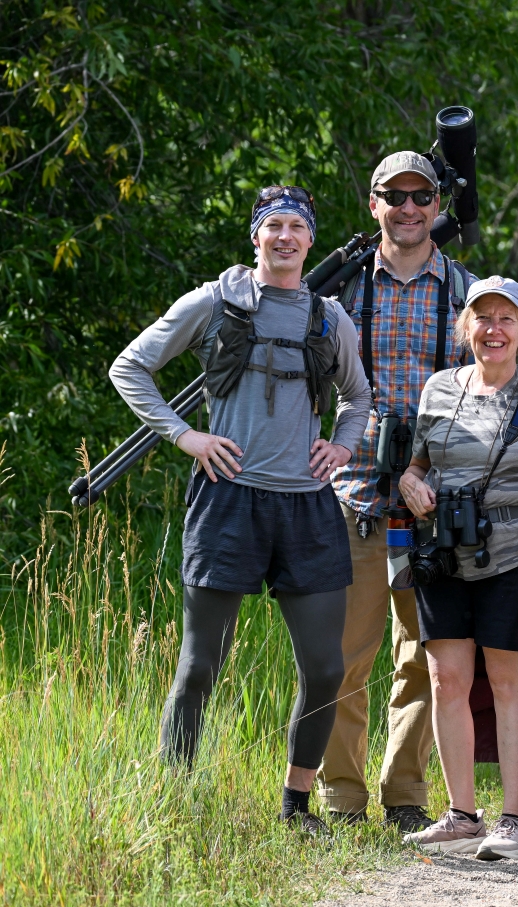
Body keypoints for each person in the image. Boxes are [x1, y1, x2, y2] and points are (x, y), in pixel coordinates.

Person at [109, 186, 372, 834]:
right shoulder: (214, 301)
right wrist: (186, 435)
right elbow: (130, 367)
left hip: (307, 509)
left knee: (326, 667)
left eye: (296, 227)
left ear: (310, 240)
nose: (285, 237)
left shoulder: (328, 318)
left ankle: (296, 805)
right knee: (200, 664)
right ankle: (173, 803)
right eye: (273, 226)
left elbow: (358, 396)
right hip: (228, 500)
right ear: (256, 236)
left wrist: (341, 445)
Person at [399, 276, 518, 860]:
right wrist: (409, 482)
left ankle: (513, 819)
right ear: (466, 328)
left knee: (507, 682)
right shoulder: (437, 390)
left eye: (506, 319)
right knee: (445, 680)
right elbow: (416, 465)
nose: (494, 329)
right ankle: (460, 814)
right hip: (444, 555)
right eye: (483, 318)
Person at [317, 151, 473, 830]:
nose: (409, 208)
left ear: (439, 205)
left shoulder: (466, 292)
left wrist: (431, 472)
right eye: (395, 195)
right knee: (343, 657)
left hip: (432, 506)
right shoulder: (343, 293)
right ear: (373, 203)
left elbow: (481, 395)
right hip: (351, 495)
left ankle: (405, 797)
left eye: (422, 195)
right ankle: (342, 801)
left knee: (424, 657)